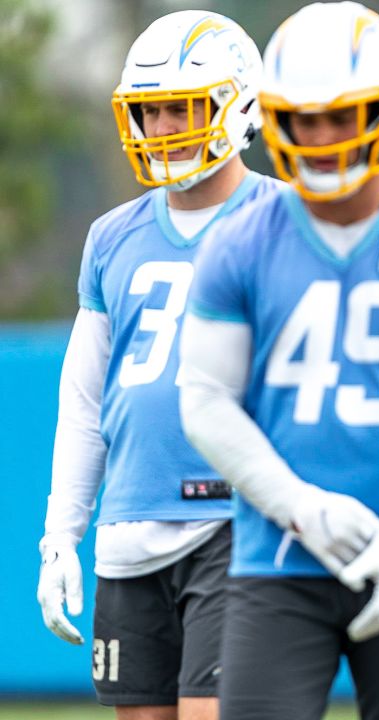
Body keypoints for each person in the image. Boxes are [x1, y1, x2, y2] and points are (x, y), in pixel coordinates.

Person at [177, 4, 379, 719]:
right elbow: (204, 398)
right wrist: (302, 508)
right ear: (274, 120)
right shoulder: (239, 243)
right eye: (302, 119)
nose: (322, 138)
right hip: (278, 560)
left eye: (343, 116)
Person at [34, 11, 271, 720]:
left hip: (239, 520)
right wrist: (60, 537)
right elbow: (85, 401)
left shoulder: (288, 221)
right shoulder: (111, 236)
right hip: (130, 526)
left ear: (239, 104)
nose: (165, 126)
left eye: (183, 107)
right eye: (152, 110)